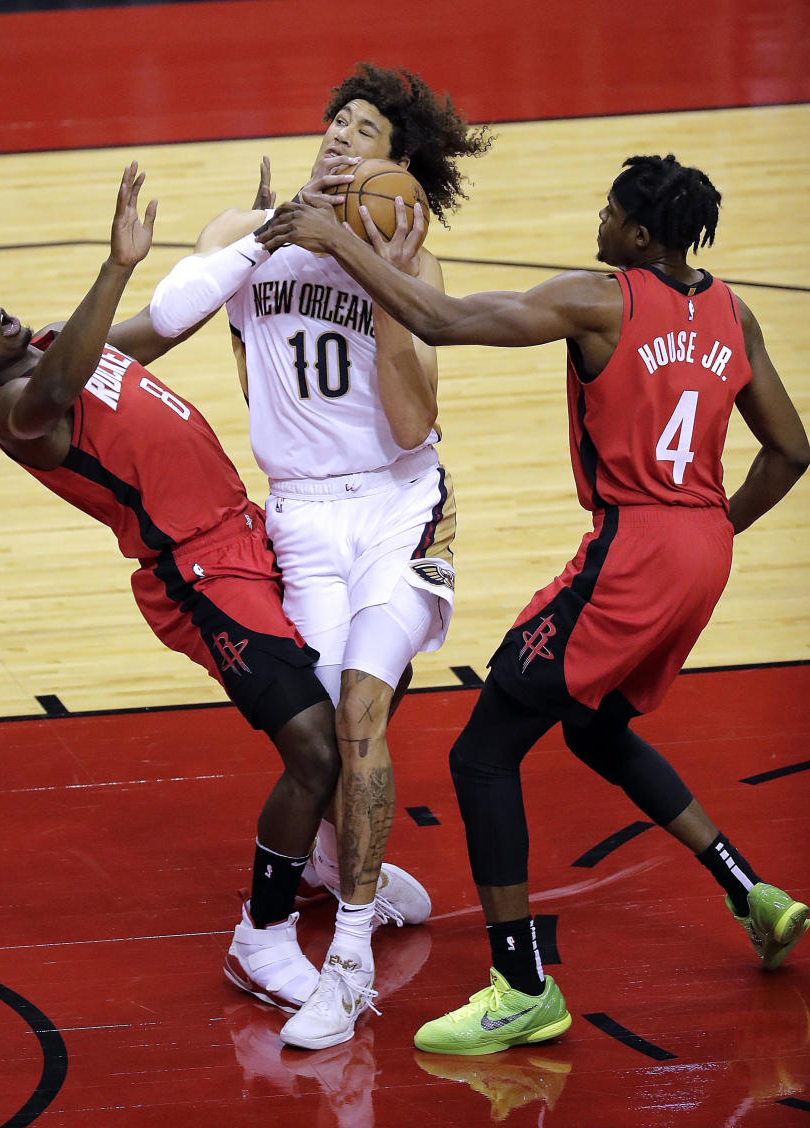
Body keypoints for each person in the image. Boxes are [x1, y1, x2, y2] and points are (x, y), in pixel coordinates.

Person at [258, 152, 810, 1054]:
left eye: (608, 209)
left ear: (636, 235)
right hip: (701, 551)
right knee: (596, 730)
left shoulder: (602, 299)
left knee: (484, 754)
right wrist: (709, 532)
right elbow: (791, 450)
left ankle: (520, 986)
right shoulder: (733, 312)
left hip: (632, 550)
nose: (598, 219)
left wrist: (331, 238)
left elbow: (439, 316)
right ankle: (754, 893)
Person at [0, 163, 345, 1016]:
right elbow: (61, 386)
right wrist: (117, 261)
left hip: (248, 533)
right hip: (201, 575)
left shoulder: (61, 340)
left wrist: (259, 240)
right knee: (314, 747)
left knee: (340, 710)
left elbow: (162, 328)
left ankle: (324, 861)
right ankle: (263, 940)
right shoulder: (16, 409)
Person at [148, 62, 493, 1050]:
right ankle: (344, 860)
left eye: (367, 132)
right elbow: (170, 321)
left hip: (398, 505)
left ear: (399, 172)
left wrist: (370, 263)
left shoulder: (409, 264)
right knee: (334, 717)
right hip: (298, 515)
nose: (341, 137)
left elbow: (412, 419)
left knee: (362, 710)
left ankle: (345, 966)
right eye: (336, 121)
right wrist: (263, 233)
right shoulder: (243, 236)